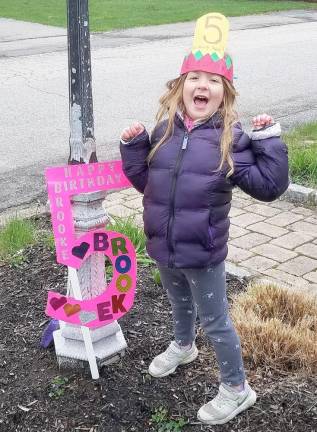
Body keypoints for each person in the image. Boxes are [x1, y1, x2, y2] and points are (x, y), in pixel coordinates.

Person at [119, 12, 289, 426]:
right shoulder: (163, 131)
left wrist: (268, 142)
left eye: (213, 80)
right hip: (163, 245)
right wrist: (134, 147)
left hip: (204, 252)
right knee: (178, 304)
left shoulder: (232, 140)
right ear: (179, 88)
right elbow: (148, 184)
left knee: (215, 321)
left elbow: (270, 187)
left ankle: (236, 389)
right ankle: (183, 345)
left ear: (224, 94)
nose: (202, 85)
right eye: (193, 77)